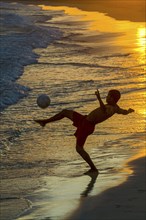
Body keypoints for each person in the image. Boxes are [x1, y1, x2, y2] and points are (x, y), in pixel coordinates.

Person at [35, 89, 134, 174]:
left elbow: (104, 110)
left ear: (113, 99)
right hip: (84, 120)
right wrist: (128, 111)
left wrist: (99, 98)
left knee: (79, 149)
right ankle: (45, 122)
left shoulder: (111, 109)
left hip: (87, 126)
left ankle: (93, 168)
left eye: (108, 96)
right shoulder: (116, 108)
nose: (106, 97)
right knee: (65, 112)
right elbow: (123, 112)